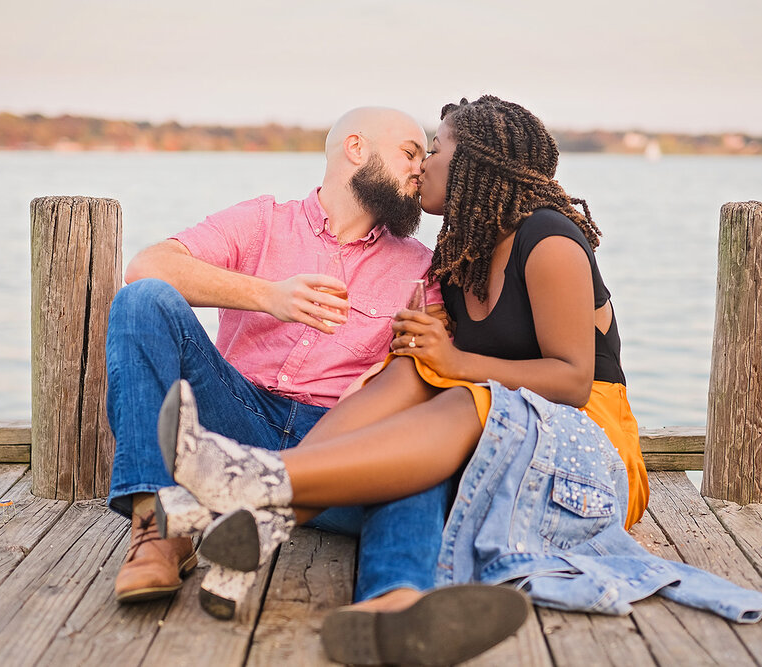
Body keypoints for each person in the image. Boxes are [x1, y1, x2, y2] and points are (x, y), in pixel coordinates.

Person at [157, 95, 649, 665]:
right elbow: (429, 363)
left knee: (459, 388)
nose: (423, 164)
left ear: (475, 162)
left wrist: (456, 362)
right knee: (415, 368)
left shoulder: (550, 240)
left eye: (435, 148)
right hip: (506, 443)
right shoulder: (461, 254)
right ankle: (289, 529)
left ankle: (253, 485)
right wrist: (399, 360)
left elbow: (572, 382)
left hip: (591, 459)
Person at [106, 106, 463, 618]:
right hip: (231, 423)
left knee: (418, 459)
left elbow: (426, 363)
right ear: (356, 149)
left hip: (337, 447)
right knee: (142, 302)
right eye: (409, 152)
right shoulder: (263, 221)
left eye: (425, 156)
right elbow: (148, 267)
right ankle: (159, 530)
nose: (419, 168)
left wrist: (387, 369)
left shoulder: (421, 265)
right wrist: (268, 296)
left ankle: (393, 600)